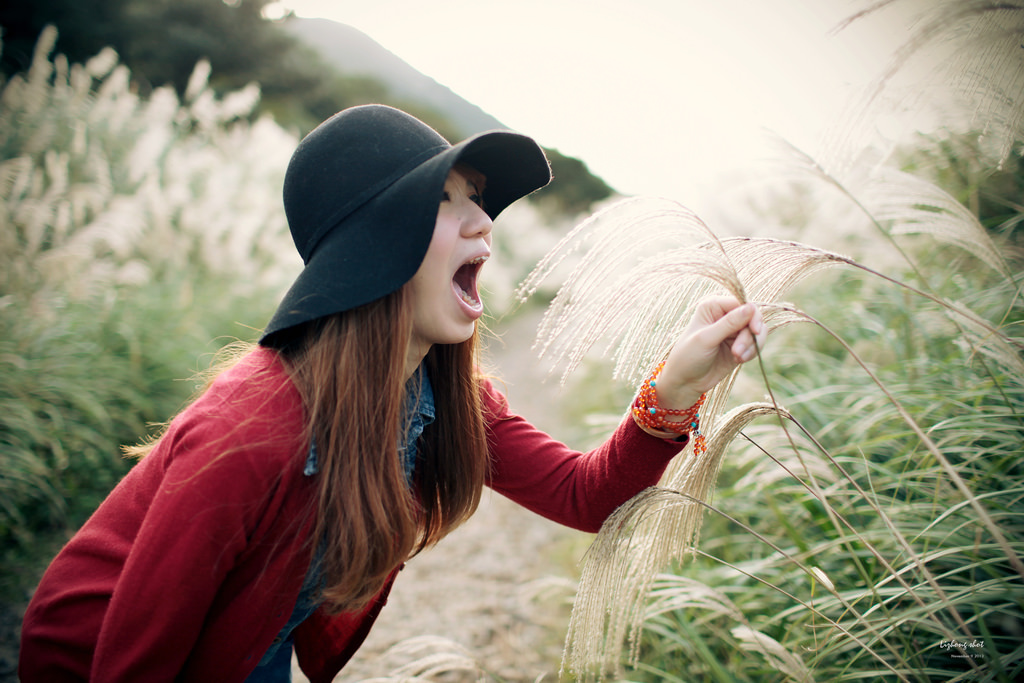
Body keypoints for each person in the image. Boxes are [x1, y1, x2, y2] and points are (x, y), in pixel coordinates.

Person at [19, 104, 767, 682]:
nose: (484, 220)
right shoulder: (251, 428)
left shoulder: (444, 395)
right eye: (446, 199)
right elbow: (134, 659)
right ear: (377, 244)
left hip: (243, 639)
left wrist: (680, 379)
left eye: (477, 198)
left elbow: (582, 495)